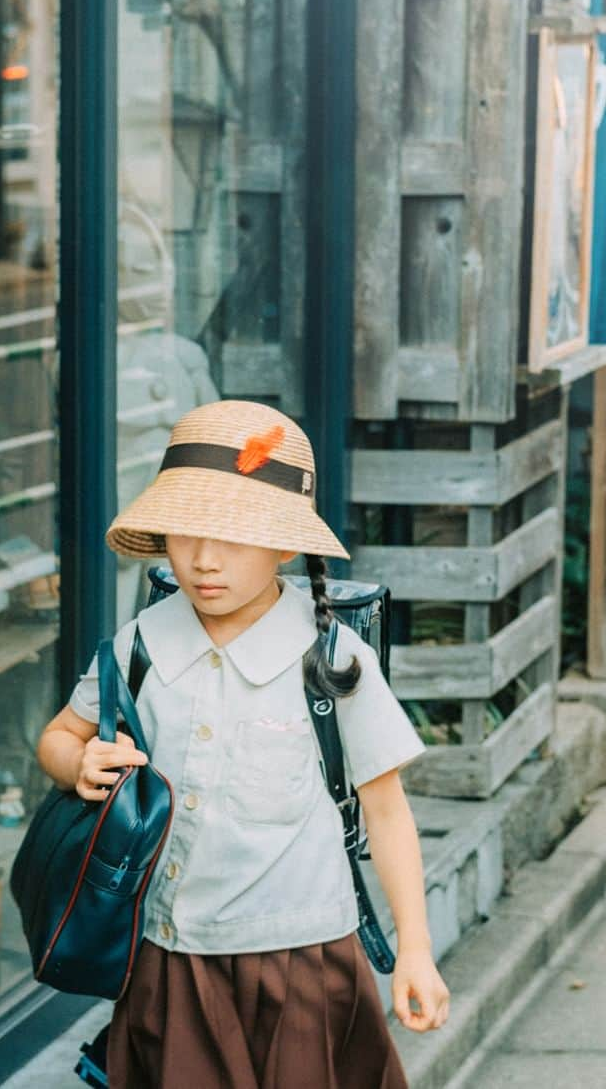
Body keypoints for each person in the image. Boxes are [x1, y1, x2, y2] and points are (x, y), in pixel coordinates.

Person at [37, 400, 450, 1088]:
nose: (204, 560)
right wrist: (77, 762)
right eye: (187, 533)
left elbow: (387, 810)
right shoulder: (142, 644)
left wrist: (415, 950)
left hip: (305, 959)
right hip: (171, 956)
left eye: (232, 536)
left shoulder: (331, 660)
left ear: (285, 544)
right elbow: (59, 735)